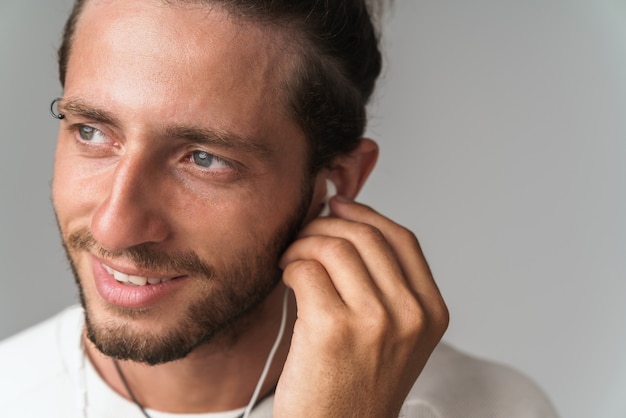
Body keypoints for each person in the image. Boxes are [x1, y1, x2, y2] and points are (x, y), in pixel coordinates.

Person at [0, 0, 558, 417]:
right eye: (92, 130)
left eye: (204, 158)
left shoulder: (496, 407)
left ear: (336, 180)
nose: (114, 226)